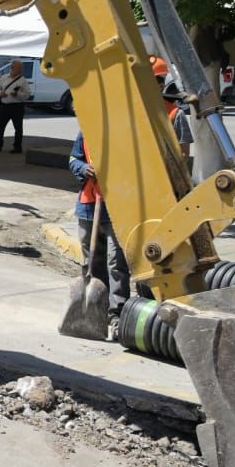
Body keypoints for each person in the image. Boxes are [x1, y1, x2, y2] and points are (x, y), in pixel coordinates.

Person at [70, 133, 130, 340]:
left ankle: (117, 315)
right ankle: (96, 312)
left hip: (116, 207)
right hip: (88, 206)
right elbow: (74, 159)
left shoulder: (124, 133)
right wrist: (83, 168)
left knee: (116, 262)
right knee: (91, 262)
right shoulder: (85, 132)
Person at [0, 60, 32, 153]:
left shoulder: (23, 80)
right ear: (12, 68)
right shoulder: (4, 77)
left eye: (20, 68)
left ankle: (17, 147)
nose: (20, 70)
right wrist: (0, 93)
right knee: (0, 127)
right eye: (18, 68)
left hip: (17, 106)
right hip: (4, 106)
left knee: (18, 128)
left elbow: (27, 94)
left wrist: (18, 94)